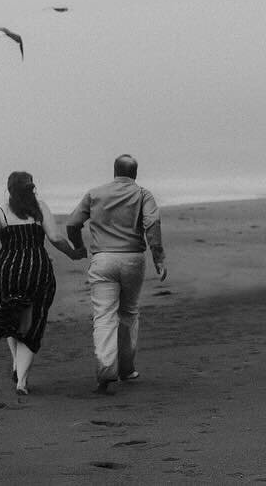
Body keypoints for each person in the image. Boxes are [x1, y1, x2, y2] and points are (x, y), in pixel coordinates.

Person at [0, 170, 86, 395]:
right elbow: (55, 238)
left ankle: (17, 365)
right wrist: (73, 254)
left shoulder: (0, 212)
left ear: (9, 190)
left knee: (10, 315)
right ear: (32, 188)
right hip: (36, 269)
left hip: (6, 270)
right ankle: (21, 382)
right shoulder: (40, 208)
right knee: (33, 321)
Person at [67, 153, 167, 394]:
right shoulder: (143, 194)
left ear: (114, 171)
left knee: (103, 316)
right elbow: (152, 224)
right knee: (128, 313)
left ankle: (105, 369)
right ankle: (126, 369)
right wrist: (158, 258)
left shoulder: (95, 194)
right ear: (135, 173)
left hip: (102, 260)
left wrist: (79, 247)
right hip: (132, 259)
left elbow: (72, 223)